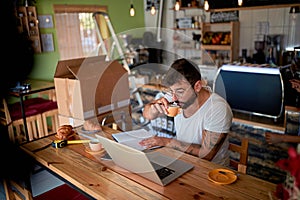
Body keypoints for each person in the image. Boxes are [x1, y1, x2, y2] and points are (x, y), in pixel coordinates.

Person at [139, 58, 233, 166]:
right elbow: (147, 114)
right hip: (183, 162)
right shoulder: (176, 95)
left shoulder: (217, 108)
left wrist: (166, 141)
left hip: (211, 172)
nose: (173, 98)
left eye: (179, 92)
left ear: (197, 86)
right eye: (171, 91)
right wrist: (153, 109)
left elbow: (206, 155)